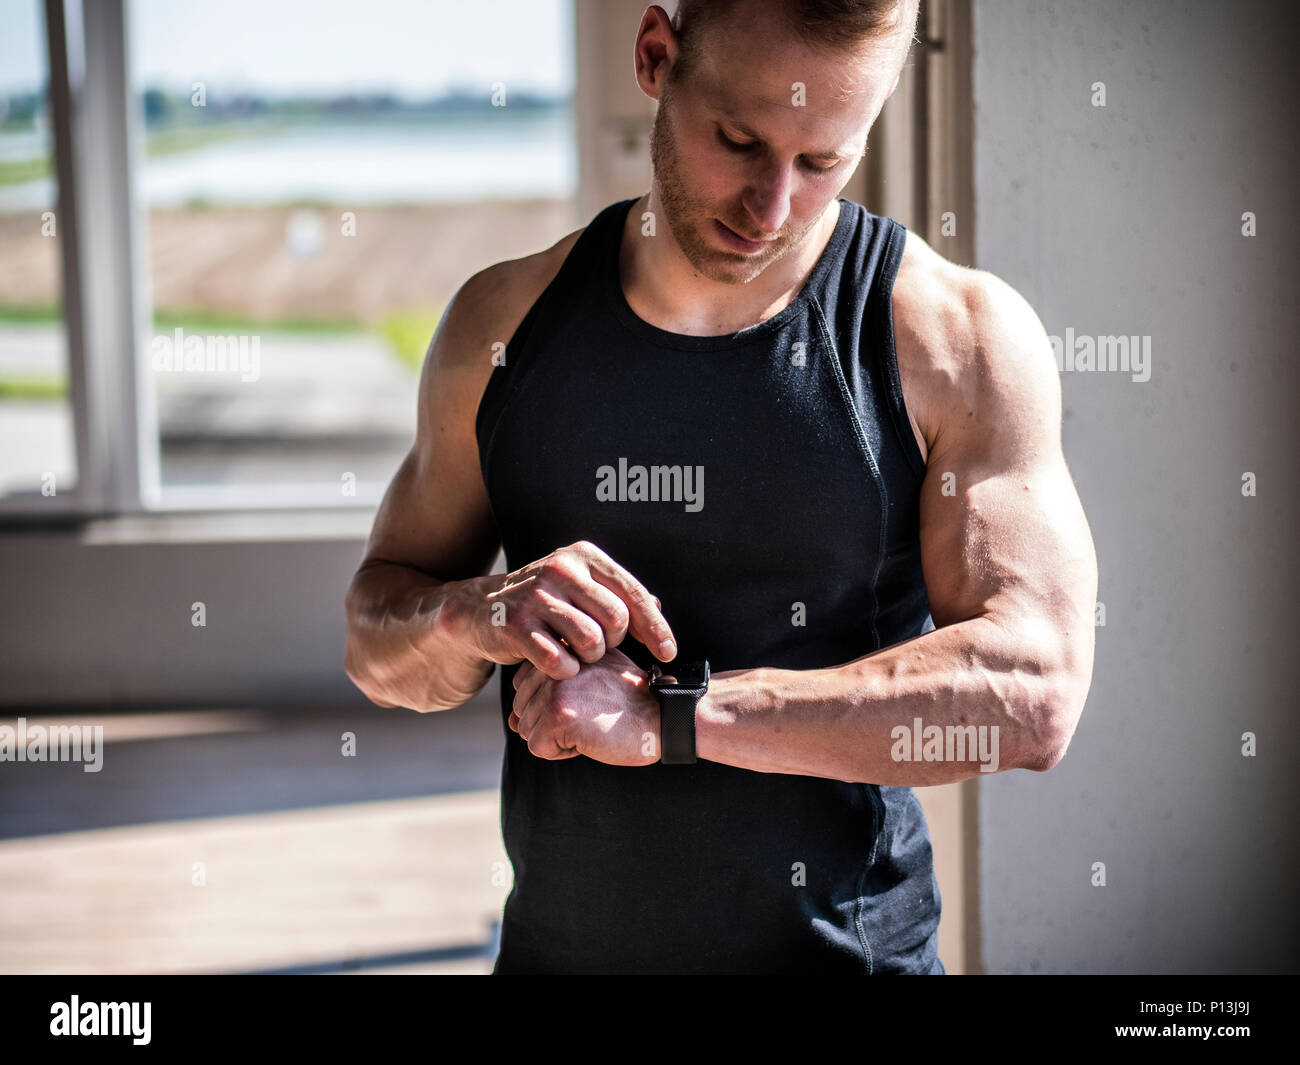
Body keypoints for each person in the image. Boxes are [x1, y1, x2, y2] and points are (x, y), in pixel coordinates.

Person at [344, 0, 1098, 974]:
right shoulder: (502, 324)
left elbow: (1030, 694)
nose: (771, 208)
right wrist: (468, 614)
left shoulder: (955, 340)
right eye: (738, 142)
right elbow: (375, 643)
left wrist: (674, 719)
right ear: (656, 56)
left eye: (824, 160)